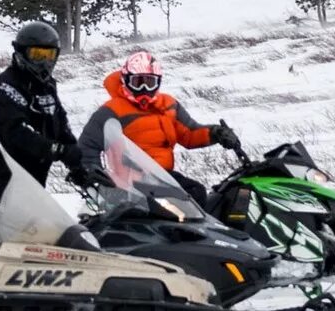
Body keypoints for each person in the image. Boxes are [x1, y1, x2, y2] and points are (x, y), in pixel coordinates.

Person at [76, 50, 239, 207]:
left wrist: (217, 133)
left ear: (158, 82)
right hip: (130, 183)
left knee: (196, 193)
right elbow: (87, 146)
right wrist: (96, 176)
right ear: (125, 80)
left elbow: (189, 133)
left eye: (149, 82)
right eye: (138, 83)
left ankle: (196, 234)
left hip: (163, 176)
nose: (144, 89)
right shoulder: (112, 110)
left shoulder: (168, 105)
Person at [0, 21, 80, 198]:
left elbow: (59, 121)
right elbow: (17, 133)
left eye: (49, 55)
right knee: (29, 222)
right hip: (9, 169)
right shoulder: (6, 86)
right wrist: (58, 150)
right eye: (37, 55)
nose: (45, 62)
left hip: (37, 168)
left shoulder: (47, 86)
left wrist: (77, 159)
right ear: (21, 53)